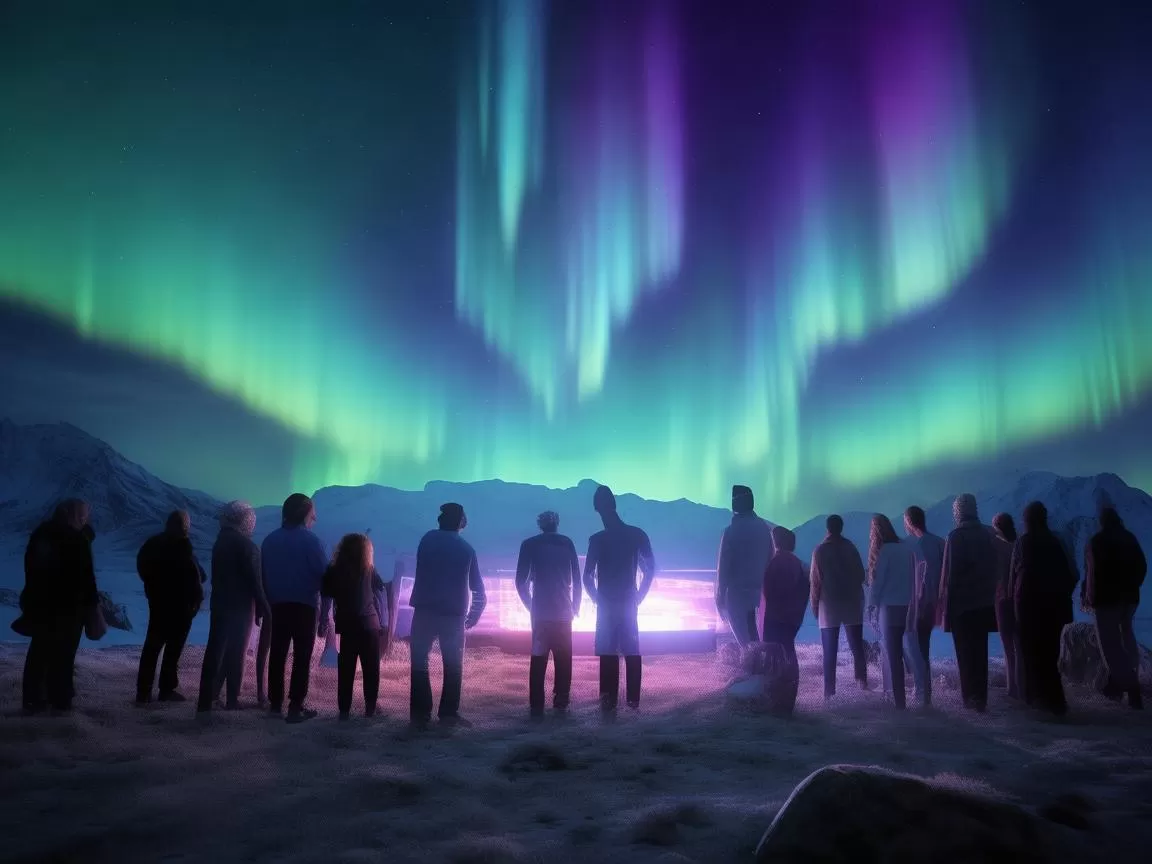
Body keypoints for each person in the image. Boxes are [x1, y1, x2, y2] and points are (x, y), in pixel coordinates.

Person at [408, 503, 487, 728]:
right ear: (461, 522)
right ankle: (449, 713)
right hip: (454, 614)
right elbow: (478, 589)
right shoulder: (466, 549)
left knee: (420, 662)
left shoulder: (427, 540)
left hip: (424, 609)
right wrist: (473, 616)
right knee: (453, 664)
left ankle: (420, 714)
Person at [20, 499, 99, 714]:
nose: (85, 519)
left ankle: (33, 698)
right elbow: (86, 578)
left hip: (41, 604)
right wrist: (93, 607)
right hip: (69, 608)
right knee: (64, 654)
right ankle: (60, 699)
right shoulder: (77, 540)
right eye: (82, 515)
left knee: (39, 651)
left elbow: (32, 569)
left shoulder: (41, 534)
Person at [583, 485, 656, 713]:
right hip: (628, 602)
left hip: (607, 604)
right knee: (631, 651)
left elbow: (587, 577)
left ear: (598, 509)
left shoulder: (597, 540)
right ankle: (633, 706)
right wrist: (640, 594)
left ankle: (609, 708)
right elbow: (650, 568)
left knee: (608, 653)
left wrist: (597, 599)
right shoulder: (637, 534)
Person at [261, 493, 331, 724]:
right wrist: (325, 614)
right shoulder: (312, 542)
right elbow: (325, 579)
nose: (315, 518)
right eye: (313, 513)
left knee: (277, 653)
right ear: (304, 514)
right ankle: (295, 706)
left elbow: (264, 576)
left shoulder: (270, 541)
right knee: (302, 657)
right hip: (304, 607)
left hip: (277, 606)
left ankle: (275, 705)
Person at [196, 501, 270, 713]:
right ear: (246, 520)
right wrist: (264, 606)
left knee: (216, 650)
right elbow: (256, 582)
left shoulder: (221, 542)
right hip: (241, 607)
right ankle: (232, 698)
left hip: (220, 603)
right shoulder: (247, 546)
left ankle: (207, 698)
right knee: (236, 651)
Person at [1011, 501, 1078, 715]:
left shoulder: (1023, 542)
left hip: (1028, 608)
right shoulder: (1057, 541)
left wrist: (1014, 604)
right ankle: (1055, 701)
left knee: (1032, 654)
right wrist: (1062, 595)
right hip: (1056, 608)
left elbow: (1014, 578)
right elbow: (1073, 573)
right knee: (1050, 654)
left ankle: (1038, 702)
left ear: (1027, 520)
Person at [135, 510, 206, 703]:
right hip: (181, 607)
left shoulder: (152, 544)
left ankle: (143, 692)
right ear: (184, 526)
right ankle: (166, 690)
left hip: (158, 603)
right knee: (173, 649)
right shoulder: (183, 546)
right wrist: (194, 599)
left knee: (152, 647)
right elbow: (195, 575)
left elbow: (142, 566)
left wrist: (152, 586)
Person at [515, 510, 582, 718]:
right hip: (563, 611)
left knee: (538, 660)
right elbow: (577, 579)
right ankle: (561, 704)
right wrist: (575, 606)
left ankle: (536, 707)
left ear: (540, 525)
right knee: (563, 661)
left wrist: (531, 605)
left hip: (541, 613)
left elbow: (520, 582)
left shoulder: (529, 544)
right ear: (557, 523)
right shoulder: (566, 543)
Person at [1084, 492, 1146, 709]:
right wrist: (1132, 587)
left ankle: (1128, 685)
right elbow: (1141, 567)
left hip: (1106, 601)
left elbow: (1093, 574)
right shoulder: (1129, 538)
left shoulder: (1097, 542)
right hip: (1129, 600)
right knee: (1126, 637)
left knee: (1110, 646)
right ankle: (1123, 680)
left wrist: (1090, 598)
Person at [938, 493, 998, 712]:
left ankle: (970, 701)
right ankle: (981, 699)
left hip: (962, 606)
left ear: (958, 511)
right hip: (985, 602)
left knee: (965, 655)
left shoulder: (956, 537)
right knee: (980, 654)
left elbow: (951, 576)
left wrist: (946, 608)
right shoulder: (989, 534)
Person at [321, 533, 384, 720]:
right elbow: (380, 590)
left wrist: (324, 619)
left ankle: (344, 711)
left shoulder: (335, 570)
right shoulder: (369, 569)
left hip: (347, 625)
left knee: (346, 670)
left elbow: (326, 595)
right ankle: (370, 709)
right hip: (370, 624)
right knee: (371, 669)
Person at [810, 515, 868, 699]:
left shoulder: (820, 550)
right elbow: (861, 575)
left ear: (827, 528)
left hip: (829, 605)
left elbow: (815, 581)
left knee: (830, 652)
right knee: (857, 648)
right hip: (852, 602)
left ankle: (829, 694)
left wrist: (814, 606)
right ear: (841, 527)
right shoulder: (850, 547)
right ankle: (862, 687)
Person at [715, 485, 774, 647]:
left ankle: (752, 661)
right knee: (757, 636)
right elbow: (771, 559)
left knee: (746, 642)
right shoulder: (764, 529)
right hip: (760, 593)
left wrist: (720, 596)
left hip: (737, 594)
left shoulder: (731, 531)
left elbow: (723, 567)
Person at [867, 514, 914, 710]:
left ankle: (898, 702)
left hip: (889, 607)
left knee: (892, 654)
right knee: (904, 650)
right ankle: (914, 693)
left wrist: (871, 605)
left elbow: (878, 583)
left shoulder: (885, 551)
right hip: (908, 606)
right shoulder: (906, 548)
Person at [902, 506, 944, 706]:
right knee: (923, 647)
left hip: (917, 604)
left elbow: (916, 578)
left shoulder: (912, 545)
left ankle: (922, 694)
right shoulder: (939, 542)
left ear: (909, 522)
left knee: (916, 649)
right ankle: (925, 693)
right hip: (935, 603)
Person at [761, 526, 809, 663]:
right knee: (788, 648)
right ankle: (792, 675)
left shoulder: (774, 562)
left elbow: (768, 591)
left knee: (773, 652)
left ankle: (777, 675)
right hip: (794, 617)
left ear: (776, 541)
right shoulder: (800, 564)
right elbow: (806, 589)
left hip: (775, 617)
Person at [991, 512, 1021, 700]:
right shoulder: (1019, 545)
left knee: (1008, 647)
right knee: (1019, 644)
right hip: (1019, 599)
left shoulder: (996, 547)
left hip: (1002, 599)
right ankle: (1022, 685)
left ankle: (1012, 688)